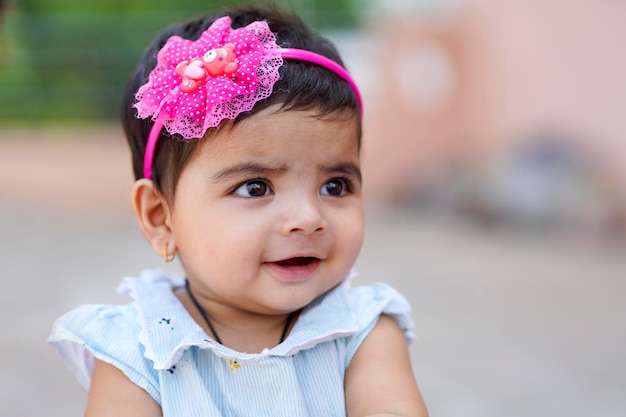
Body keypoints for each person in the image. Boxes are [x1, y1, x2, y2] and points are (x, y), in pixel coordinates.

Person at [48, 4, 428, 416]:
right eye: (255, 187)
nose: (308, 218)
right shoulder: (136, 351)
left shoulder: (363, 330)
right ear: (161, 218)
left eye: (334, 186)